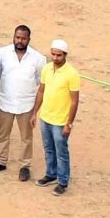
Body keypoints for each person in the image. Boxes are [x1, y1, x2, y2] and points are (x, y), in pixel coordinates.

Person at [0, 24, 47, 181]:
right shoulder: (1, 53)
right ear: (13, 37)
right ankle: (1, 161)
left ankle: (25, 166)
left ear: (29, 39)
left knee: (26, 137)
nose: (20, 41)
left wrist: (35, 109)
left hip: (26, 105)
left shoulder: (38, 58)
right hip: (6, 101)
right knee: (3, 134)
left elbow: (40, 81)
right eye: (17, 37)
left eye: (23, 38)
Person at [38, 38, 82, 195]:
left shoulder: (72, 74)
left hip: (60, 121)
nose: (55, 58)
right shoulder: (46, 69)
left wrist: (68, 123)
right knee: (48, 148)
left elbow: (74, 101)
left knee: (61, 151)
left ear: (65, 55)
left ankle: (63, 181)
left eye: (59, 55)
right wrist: (35, 112)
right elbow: (41, 92)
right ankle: (50, 174)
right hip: (45, 117)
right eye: (53, 55)